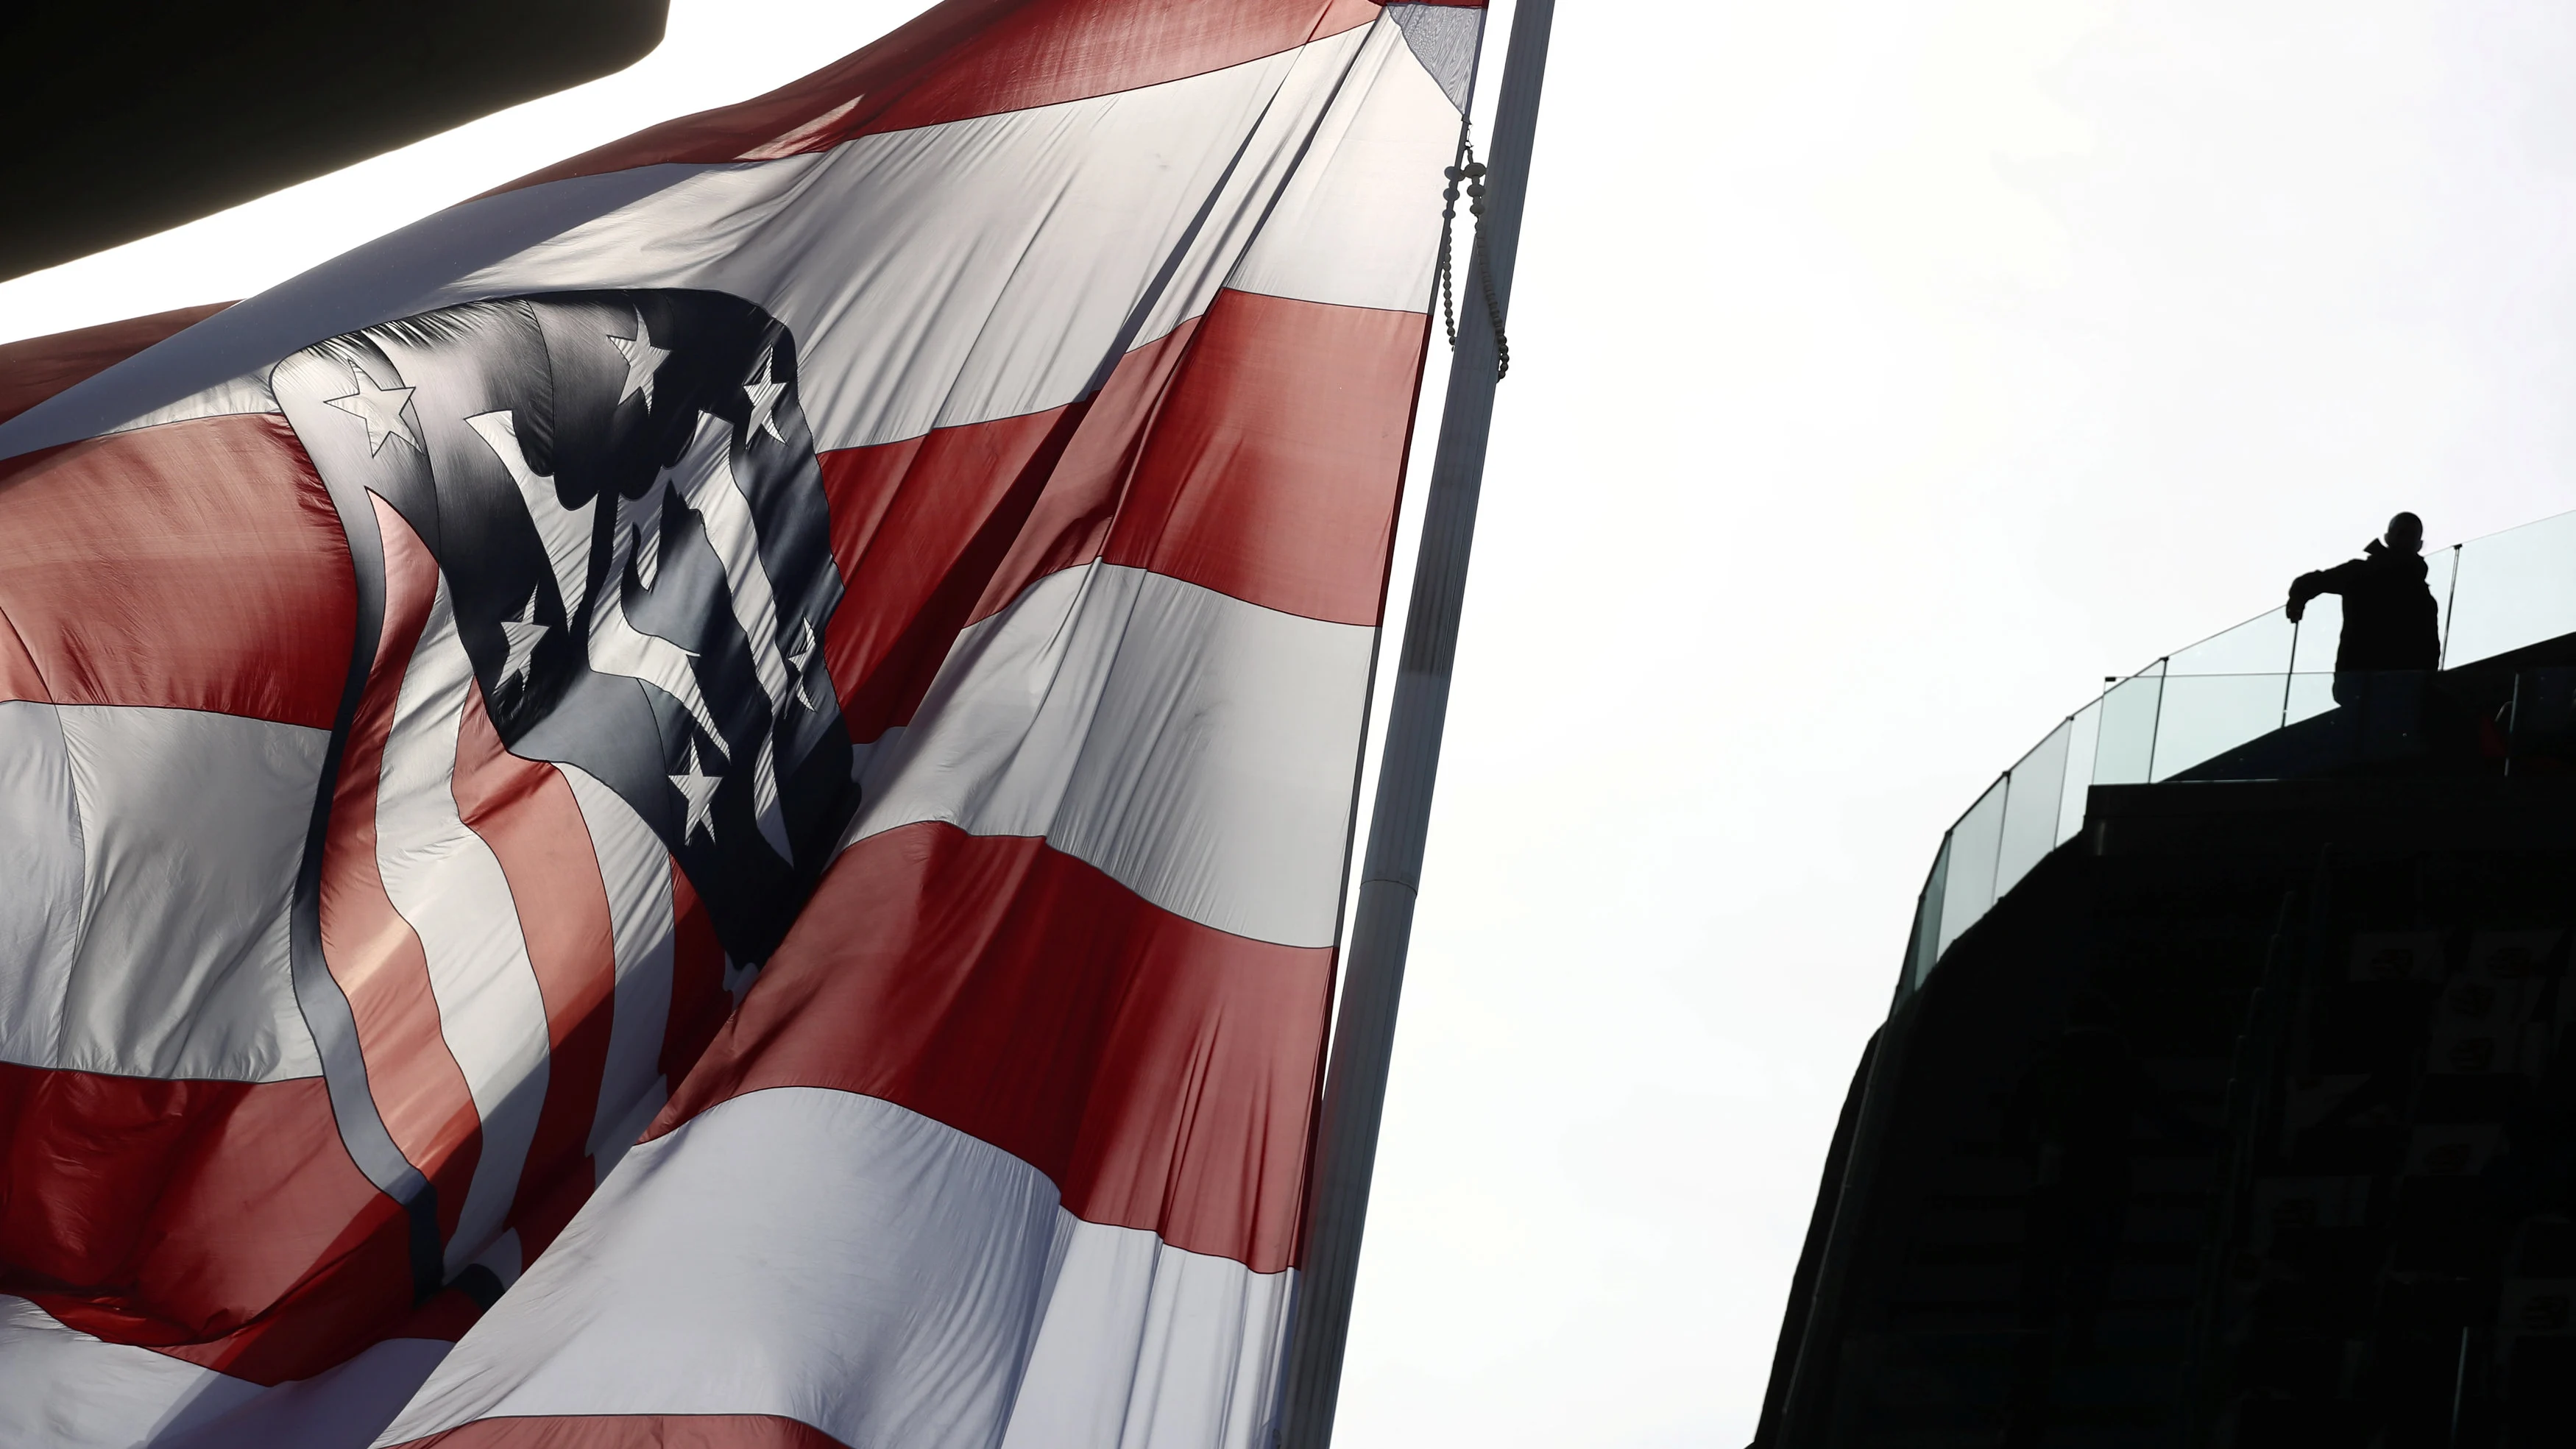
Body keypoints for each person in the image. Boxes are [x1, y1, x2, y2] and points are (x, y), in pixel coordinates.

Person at [2286, 512, 2440, 704]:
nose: (2406, 540)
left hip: (2395, 690)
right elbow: (2313, 582)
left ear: (2418, 544)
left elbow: (2430, 650)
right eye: (2402, 533)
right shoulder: (2361, 573)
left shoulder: (2422, 597)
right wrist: (2298, 598)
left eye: (2411, 535)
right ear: (2388, 538)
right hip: (2362, 685)